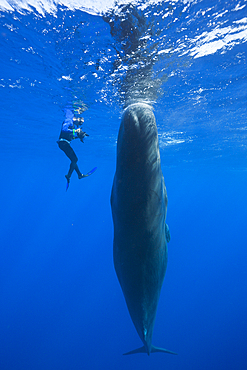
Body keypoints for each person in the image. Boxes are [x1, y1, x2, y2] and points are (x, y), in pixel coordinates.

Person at [57, 108, 89, 185]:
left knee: (74, 160)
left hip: (64, 143)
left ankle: (79, 175)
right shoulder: (69, 120)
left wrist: (79, 136)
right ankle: (69, 175)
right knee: (75, 159)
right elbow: (64, 129)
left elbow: (70, 137)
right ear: (77, 118)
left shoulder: (73, 124)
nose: (79, 124)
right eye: (80, 122)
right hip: (63, 143)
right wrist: (75, 131)